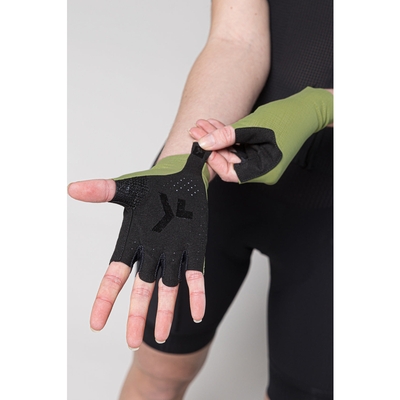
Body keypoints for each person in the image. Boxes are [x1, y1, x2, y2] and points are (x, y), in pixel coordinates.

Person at [68, 0, 333, 398]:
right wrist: (182, 166)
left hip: (335, 217)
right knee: (158, 371)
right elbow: (236, 40)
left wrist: (323, 106)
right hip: (220, 169)